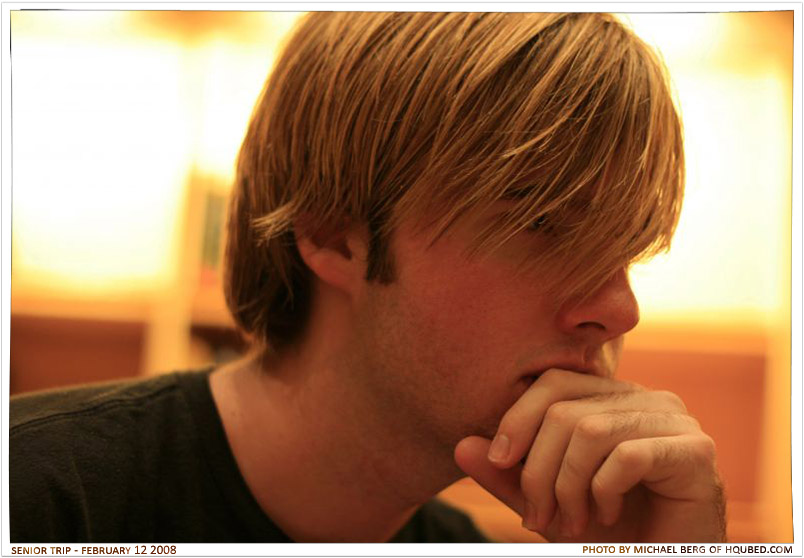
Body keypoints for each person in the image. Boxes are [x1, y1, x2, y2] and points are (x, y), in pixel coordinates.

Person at [10, 12, 726, 543]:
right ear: (331, 234)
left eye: (625, 252)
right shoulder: (37, 500)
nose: (619, 309)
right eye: (543, 224)